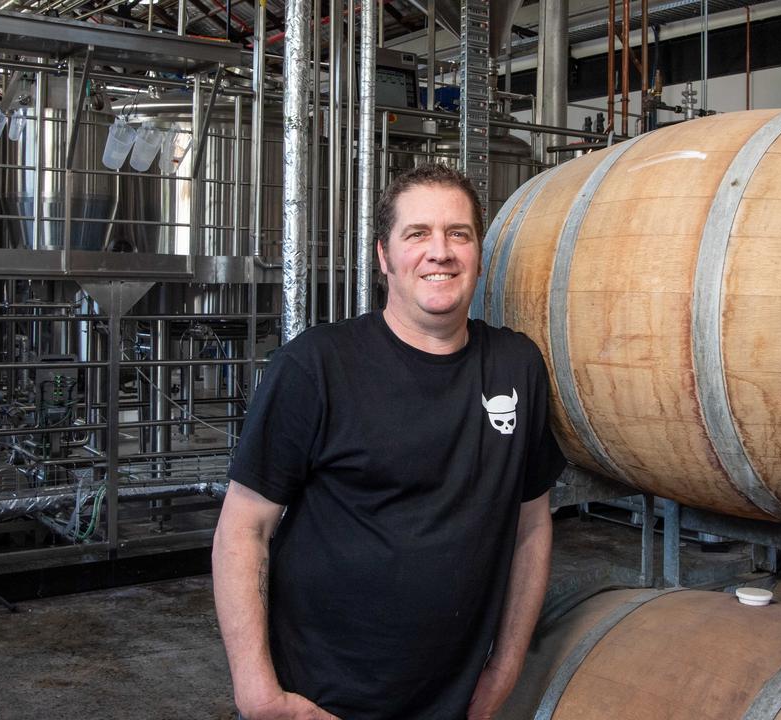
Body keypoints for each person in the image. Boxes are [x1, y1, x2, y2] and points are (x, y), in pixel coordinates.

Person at [212, 163, 567, 720]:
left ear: (478, 253)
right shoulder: (316, 366)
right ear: (384, 257)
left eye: (459, 234)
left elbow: (531, 525)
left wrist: (506, 668)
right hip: (319, 700)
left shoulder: (516, 366)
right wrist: (259, 694)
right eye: (417, 234)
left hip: (452, 702)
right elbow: (243, 528)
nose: (440, 252)